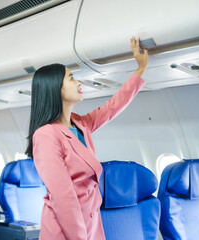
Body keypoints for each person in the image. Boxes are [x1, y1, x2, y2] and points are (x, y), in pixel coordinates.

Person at [25, 37, 148, 240]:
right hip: (66, 232)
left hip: (91, 224)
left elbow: (112, 108)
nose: (79, 82)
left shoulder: (80, 124)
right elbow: (63, 198)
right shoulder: (46, 135)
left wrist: (140, 70)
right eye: (72, 78)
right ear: (55, 88)